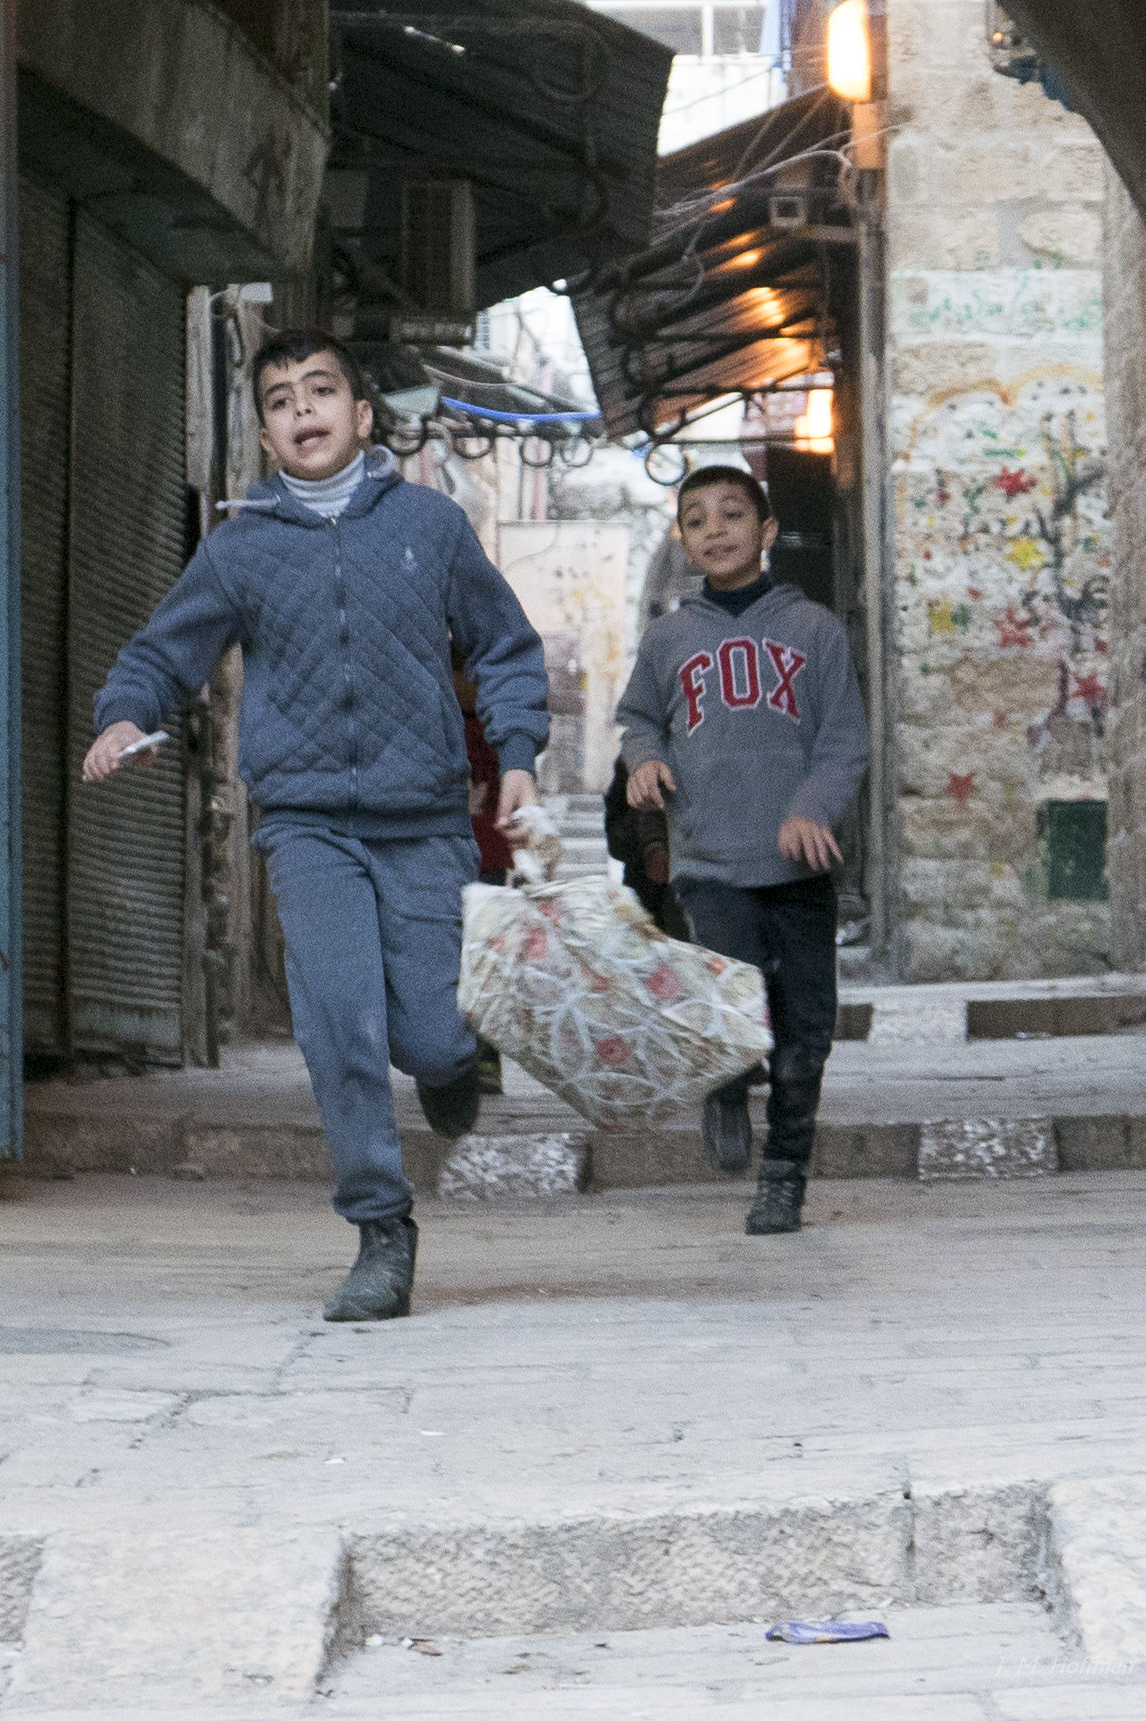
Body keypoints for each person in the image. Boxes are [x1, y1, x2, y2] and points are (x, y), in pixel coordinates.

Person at [82, 329, 548, 1323]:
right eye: (283, 398)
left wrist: (515, 756)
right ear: (263, 431)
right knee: (338, 1021)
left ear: (364, 415)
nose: (304, 409)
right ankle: (383, 1229)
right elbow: (164, 653)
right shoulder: (241, 545)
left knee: (427, 1030)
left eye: (322, 390)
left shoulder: (432, 524)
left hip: (424, 818)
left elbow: (506, 646)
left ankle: (456, 1058)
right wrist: (125, 716)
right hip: (305, 823)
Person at [614, 466, 868, 1235]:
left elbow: (844, 741)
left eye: (732, 514)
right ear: (683, 541)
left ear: (765, 533)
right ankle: (725, 1084)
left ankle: (784, 1175)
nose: (715, 528)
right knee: (733, 1002)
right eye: (696, 519)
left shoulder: (815, 630)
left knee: (804, 1033)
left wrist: (810, 808)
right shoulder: (669, 639)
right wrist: (645, 761)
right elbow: (639, 720)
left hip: (799, 867)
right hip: (711, 859)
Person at [456, 655, 514, 1094]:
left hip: (490, 863)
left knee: (485, 961)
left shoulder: (499, 730)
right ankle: (457, 1055)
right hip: (445, 862)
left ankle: (486, 1057)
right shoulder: (437, 725)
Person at [603, 754, 690, 941]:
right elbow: (616, 839)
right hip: (647, 897)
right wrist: (651, 847)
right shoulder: (631, 760)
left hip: (698, 892)